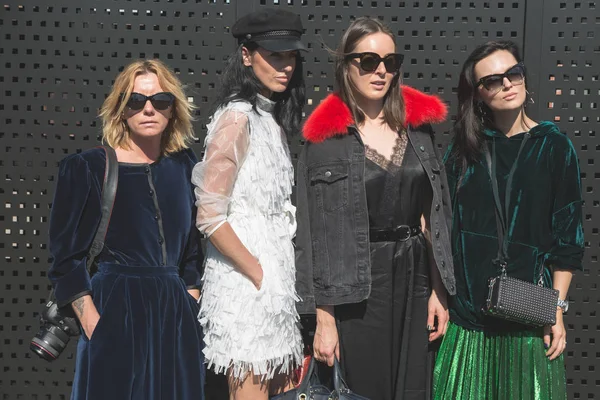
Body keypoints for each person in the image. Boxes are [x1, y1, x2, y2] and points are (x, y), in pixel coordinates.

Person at [295, 17, 456, 400]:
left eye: (390, 61)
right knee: (364, 389)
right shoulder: (324, 141)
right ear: (346, 66)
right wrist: (324, 317)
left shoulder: (418, 129)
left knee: (414, 388)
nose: (381, 70)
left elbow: (430, 215)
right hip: (356, 290)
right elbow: (314, 236)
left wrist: (439, 292)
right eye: (368, 61)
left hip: (415, 277)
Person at [433, 40, 584, 400]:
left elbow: (568, 241)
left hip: (528, 320)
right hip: (468, 318)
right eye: (493, 80)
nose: (507, 84)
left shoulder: (554, 146)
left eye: (513, 73)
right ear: (479, 94)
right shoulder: (462, 151)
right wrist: (439, 295)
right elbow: (441, 230)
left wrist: (556, 309)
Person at [47, 59, 205, 399]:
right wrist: (95, 325)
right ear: (121, 108)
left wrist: (189, 303)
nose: (148, 109)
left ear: (172, 108)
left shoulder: (186, 166)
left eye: (160, 101)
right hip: (115, 309)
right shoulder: (88, 167)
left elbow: (194, 252)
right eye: (136, 101)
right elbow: (66, 260)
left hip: (175, 317)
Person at [191, 8, 306, 400]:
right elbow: (209, 214)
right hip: (245, 282)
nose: (285, 65)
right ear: (246, 55)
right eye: (274, 55)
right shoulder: (236, 119)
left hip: (274, 277)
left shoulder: (270, 118)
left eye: (290, 55)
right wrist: (257, 273)